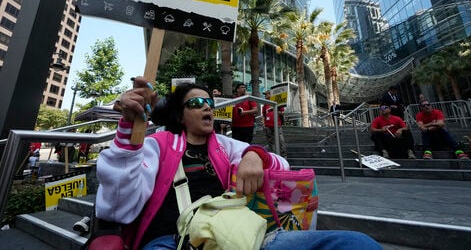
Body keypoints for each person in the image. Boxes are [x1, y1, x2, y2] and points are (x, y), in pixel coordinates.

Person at [95, 77, 382, 250]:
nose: (207, 107)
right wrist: (129, 134)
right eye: (196, 103)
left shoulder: (225, 146)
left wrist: (255, 156)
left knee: (358, 243)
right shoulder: (157, 145)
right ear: (180, 116)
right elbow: (118, 205)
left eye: (209, 102)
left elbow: (280, 163)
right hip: (172, 241)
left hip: (240, 237)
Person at [262, 90, 287, 158]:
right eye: (265, 95)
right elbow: (264, 116)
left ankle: (283, 156)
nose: (265, 96)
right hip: (268, 126)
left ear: (271, 95)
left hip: (277, 125)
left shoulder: (277, 103)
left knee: (280, 141)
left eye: (267, 94)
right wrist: (264, 124)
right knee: (270, 143)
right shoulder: (265, 105)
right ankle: (273, 157)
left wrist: (274, 110)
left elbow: (282, 113)